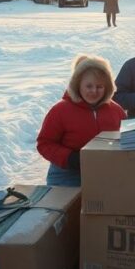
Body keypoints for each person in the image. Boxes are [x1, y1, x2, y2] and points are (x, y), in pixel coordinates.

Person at [38, 54, 127, 186]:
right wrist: (69, 158)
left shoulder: (116, 110)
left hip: (104, 169)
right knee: (69, 206)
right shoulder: (60, 110)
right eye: (89, 86)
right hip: (67, 172)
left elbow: (128, 138)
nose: (94, 91)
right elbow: (44, 143)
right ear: (78, 85)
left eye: (99, 86)